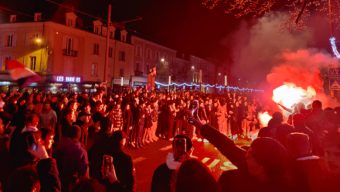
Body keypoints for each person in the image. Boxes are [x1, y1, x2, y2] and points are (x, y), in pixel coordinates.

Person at [188, 117, 294, 192]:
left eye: (251, 154)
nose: (246, 155)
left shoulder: (286, 186)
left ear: (262, 166)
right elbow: (227, 146)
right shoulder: (249, 166)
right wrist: (201, 126)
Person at [53, 125, 89, 192]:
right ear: (79, 136)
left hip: (58, 181)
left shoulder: (58, 146)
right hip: (72, 184)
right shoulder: (80, 151)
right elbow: (84, 173)